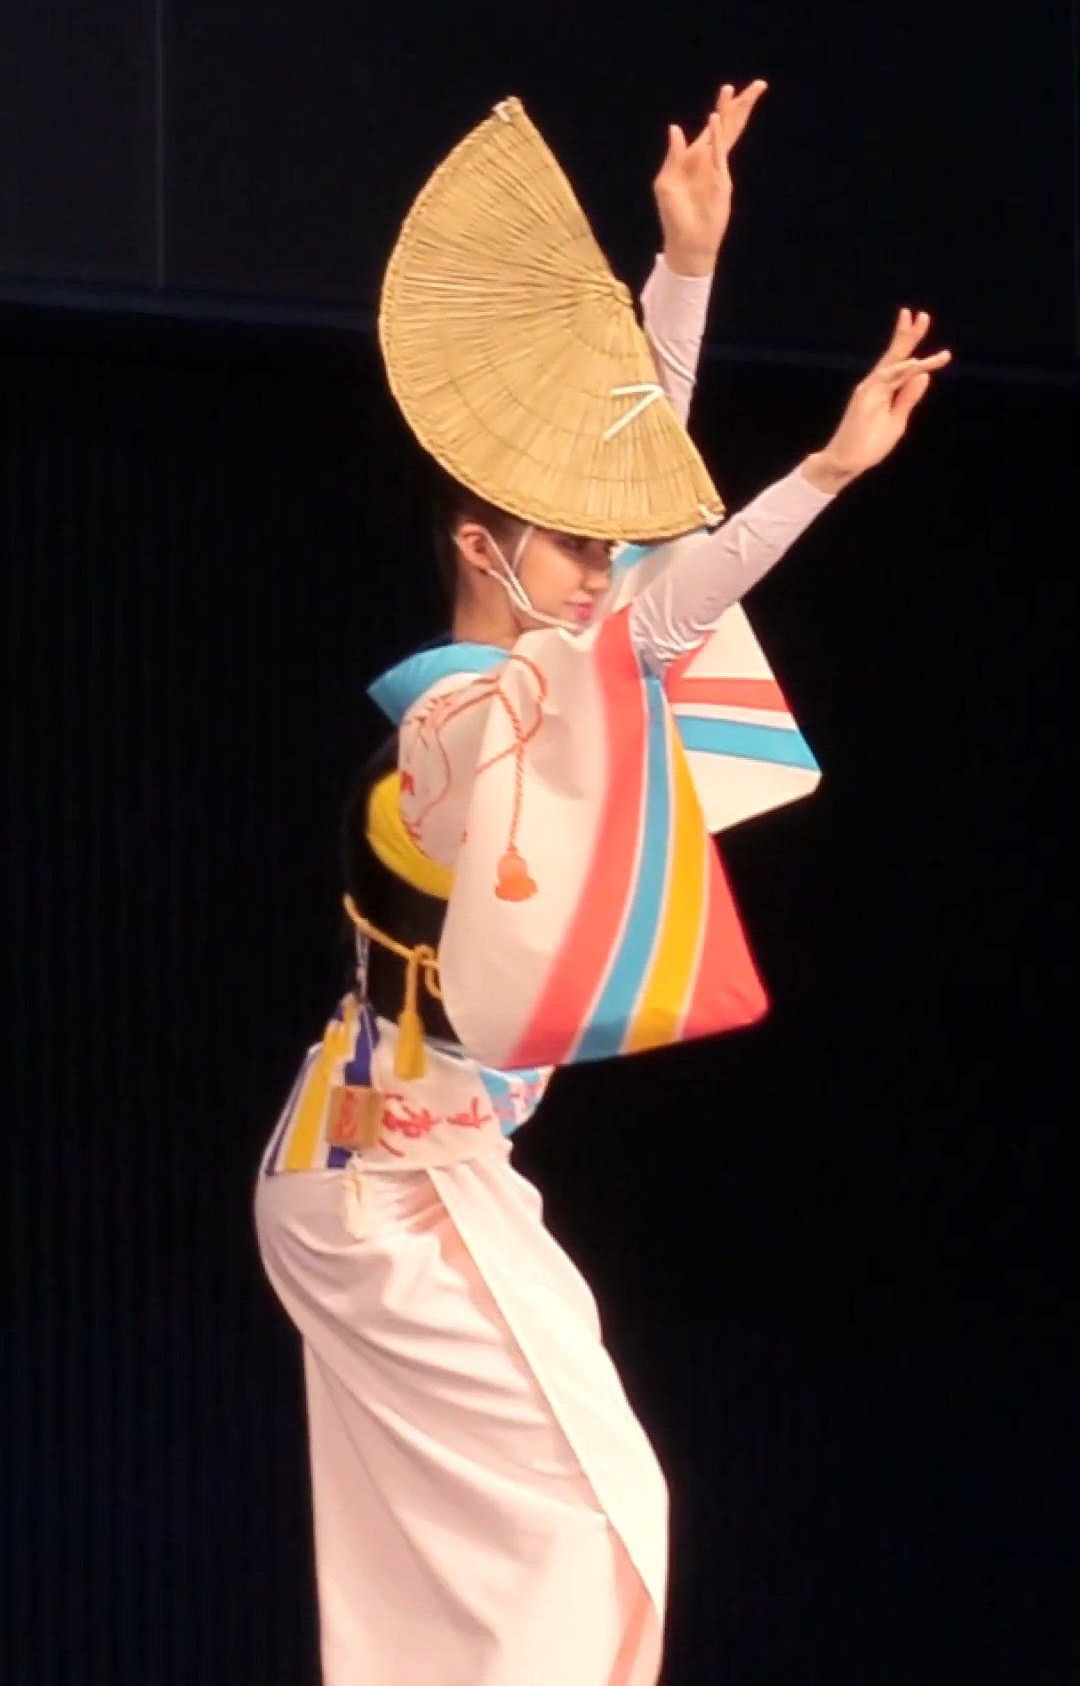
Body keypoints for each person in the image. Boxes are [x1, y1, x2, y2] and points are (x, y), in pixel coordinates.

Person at [254, 86, 950, 1686]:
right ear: (485, 550)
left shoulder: (529, 685)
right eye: (566, 551)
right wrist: (827, 475)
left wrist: (682, 267)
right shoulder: (454, 719)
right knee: (591, 1520)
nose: (604, 570)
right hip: (383, 1188)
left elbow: (626, 524)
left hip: (422, 1172)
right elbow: (646, 600)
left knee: (516, 1563)